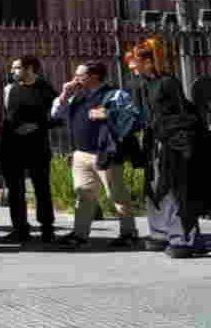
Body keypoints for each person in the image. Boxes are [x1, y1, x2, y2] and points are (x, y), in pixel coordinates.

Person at [128, 39, 209, 258]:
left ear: (148, 61)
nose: (132, 66)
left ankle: (184, 239)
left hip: (174, 143)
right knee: (155, 188)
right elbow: (140, 114)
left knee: (176, 189)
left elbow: (183, 113)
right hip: (154, 143)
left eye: (135, 61)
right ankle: (160, 233)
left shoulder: (168, 82)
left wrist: (176, 138)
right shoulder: (143, 84)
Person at [51, 61, 140, 248]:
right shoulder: (77, 97)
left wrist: (107, 113)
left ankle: (129, 233)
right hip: (81, 154)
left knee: (116, 195)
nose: (75, 79)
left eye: (80, 75)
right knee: (84, 195)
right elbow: (56, 114)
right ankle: (80, 234)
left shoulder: (114, 94)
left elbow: (133, 117)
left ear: (94, 76)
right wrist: (65, 94)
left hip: (105, 153)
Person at [0, 56, 58, 243]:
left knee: (41, 188)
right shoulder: (10, 89)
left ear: (30, 68)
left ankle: (47, 228)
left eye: (16, 68)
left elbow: (59, 116)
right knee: (15, 190)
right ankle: (19, 228)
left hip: (36, 146)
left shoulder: (45, 90)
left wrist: (37, 125)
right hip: (11, 146)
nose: (12, 71)